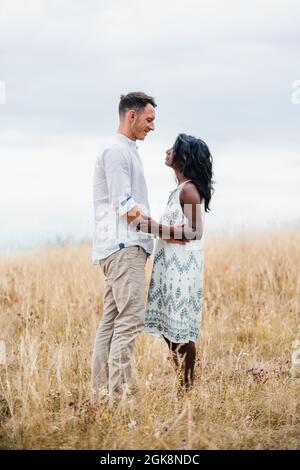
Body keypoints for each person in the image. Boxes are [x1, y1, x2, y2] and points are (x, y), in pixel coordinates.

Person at [91, 92, 157, 405]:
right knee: (130, 321)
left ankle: (101, 395)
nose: (152, 126)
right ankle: (118, 398)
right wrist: (163, 230)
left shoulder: (124, 150)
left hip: (118, 247)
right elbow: (125, 206)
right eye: (149, 119)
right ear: (131, 116)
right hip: (123, 247)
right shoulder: (116, 151)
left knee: (111, 321)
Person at [144, 133, 214, 390]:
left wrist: (154, 227)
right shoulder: (179, 189)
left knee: (180, 331)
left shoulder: (190, 189)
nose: (166, 150)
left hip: (182, 270)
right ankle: (184, 382)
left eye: (173, 148)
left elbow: (195, 231)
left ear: (183, 157)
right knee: (168, 328)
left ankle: (187, 387)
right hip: (170, 268)